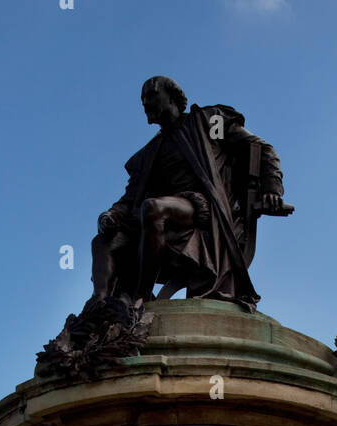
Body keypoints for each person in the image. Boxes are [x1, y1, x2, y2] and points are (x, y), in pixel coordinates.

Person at [90, 76, 291, 312]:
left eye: (151, 95)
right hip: (162, 216)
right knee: (104, 240)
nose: (145, 102)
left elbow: (260, 148)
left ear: (173, 97)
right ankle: (98, 305)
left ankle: (141, 297)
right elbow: (130, 199)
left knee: (153, 208)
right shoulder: (149, 153)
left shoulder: (208, 121)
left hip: (204, 209)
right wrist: (111, 215)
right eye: (142, 99)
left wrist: (271, 188)